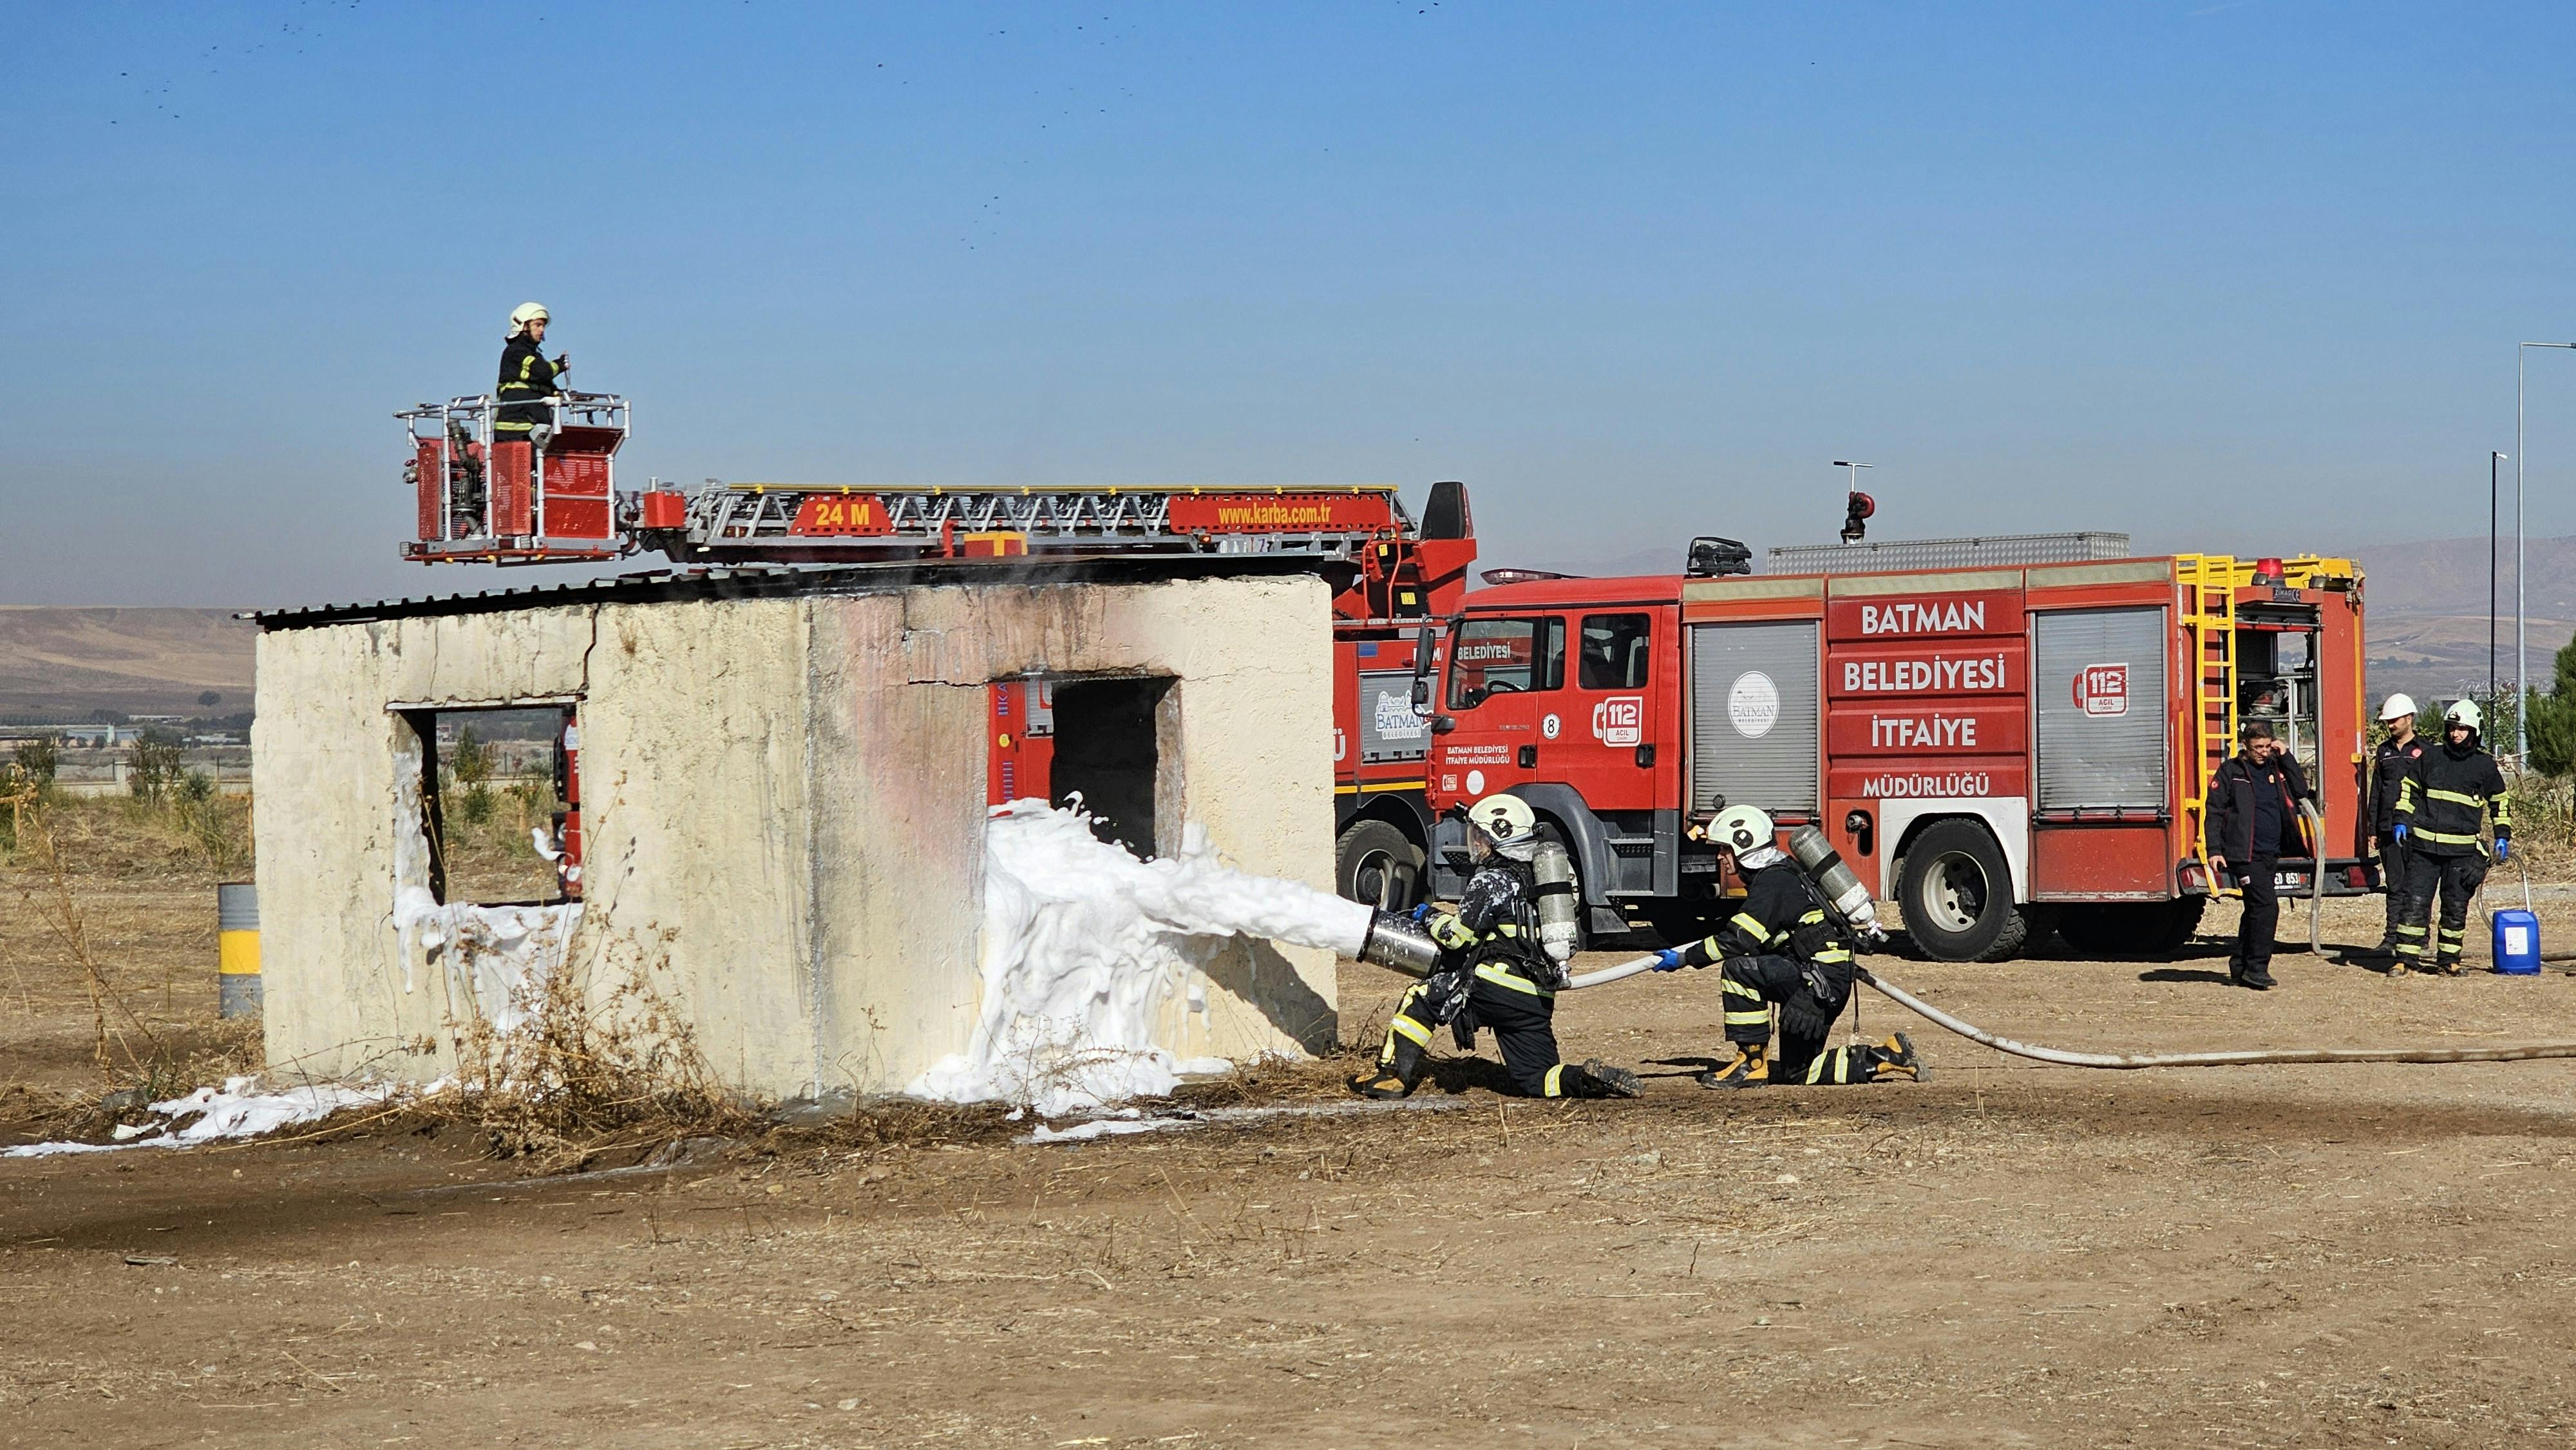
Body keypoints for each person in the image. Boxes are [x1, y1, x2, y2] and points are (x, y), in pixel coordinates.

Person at [1350, 793, 1640, 1100]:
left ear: (1499, 838)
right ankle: (1586, 1079)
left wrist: (1429, 916)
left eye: (1480, 837)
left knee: (1421, 997)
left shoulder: (1492, 881)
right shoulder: (1546, 880)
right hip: (1535, 999)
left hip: (1495, 986)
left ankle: (1391, 1077)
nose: (1476, 844)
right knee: (1538, 1080)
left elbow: (1457, 938)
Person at [1647, 804, 1920, 1088]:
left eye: (1724, 849)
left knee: (1738, 970)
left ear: (1744, 847)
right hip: (1824, 983)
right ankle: (1887, 1055)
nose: (1720, 856)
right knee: (1798, 1073)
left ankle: (1751, 1065)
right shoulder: (1783, 873)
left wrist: (1683, 959)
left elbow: (1739, 940)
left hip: (1816, 985)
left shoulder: (1773, 882)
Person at [2390, 699, 2512, 976]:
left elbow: (2500, 803)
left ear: (2475, 731)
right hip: (2424, 849)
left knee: (2455, 907)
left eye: (2462, 729)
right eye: (2452, 728)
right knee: (2415, 903)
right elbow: (2409, 790)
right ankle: (2405, 960)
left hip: (2461, 852)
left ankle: (2449, 961)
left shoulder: (2484, 766)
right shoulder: (2431, 757)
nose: (2456, 734)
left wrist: (2502, 836)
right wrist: (2401, 819)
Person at [2206, 719, 2312, 990]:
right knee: (2266, 907)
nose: (2263, 752)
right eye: (2258, 748)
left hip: (2271, 851)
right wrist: (2214, 850)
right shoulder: (2231, 772)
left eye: (2267, 747)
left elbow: (2300, 790)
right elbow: (2214, 812)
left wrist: (2285, 755)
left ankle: (2240, 966)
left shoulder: (2277, 769)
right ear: (2246, 746)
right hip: (2244, 854)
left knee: (2254, 909)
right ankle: (2257, 968)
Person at [2369, 693, 2430, 954]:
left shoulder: (2427, 752)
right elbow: (2376, 791)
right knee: (2395, 886)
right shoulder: (2383, 752)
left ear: (2409, 719)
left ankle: (2420, 940)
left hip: (2417, 830)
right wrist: (2372, 828)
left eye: (2395, 720)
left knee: (2418, 887)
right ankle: (2392, 938)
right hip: (2387, 830)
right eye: (2388, 721)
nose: (2391, 725)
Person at [495, 302, 569, 452]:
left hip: (532, 429)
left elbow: (543, 384)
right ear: (523, 326)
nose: (542, 330)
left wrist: (560, 395)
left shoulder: (532, 354)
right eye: (537, 325)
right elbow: (543, 372)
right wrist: (560, 365)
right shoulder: (515, 352)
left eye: (543, 326)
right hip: (515, 431)